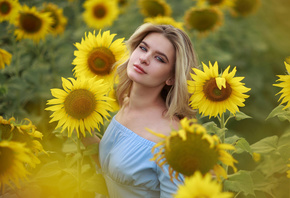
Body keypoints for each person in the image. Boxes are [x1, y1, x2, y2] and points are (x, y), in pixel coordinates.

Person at [82, 23, 198, 198]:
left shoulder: (172, 139)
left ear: (171, 78)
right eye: (143, 48)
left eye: (160, 58)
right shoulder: (126, 104)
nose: (144, 58)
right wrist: (83, 132)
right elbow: (116, 168)